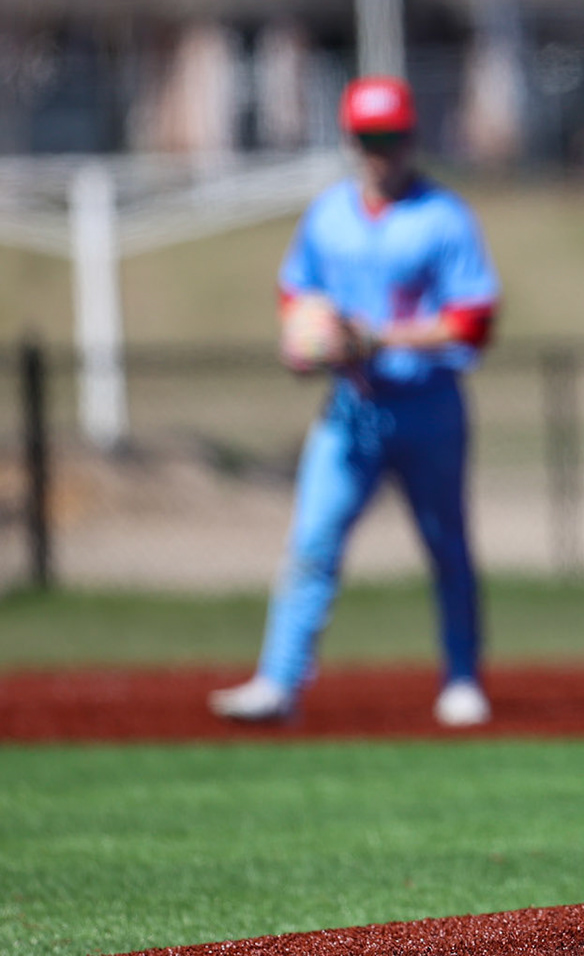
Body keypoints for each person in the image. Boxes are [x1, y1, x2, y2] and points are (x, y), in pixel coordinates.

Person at [210, 76, 501, 728]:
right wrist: (307, 342)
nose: (380, 153)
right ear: (351, 141)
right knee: (312, 540)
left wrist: (380, 337)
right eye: (369, 140)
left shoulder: (443, 217)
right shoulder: (328, 217)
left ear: (411, 139)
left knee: (446, 546)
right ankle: (279, 683)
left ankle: (461, 678)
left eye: (391, 139)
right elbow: (299, 296)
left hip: (428, 403)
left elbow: (474, 321)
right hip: (352, 408)